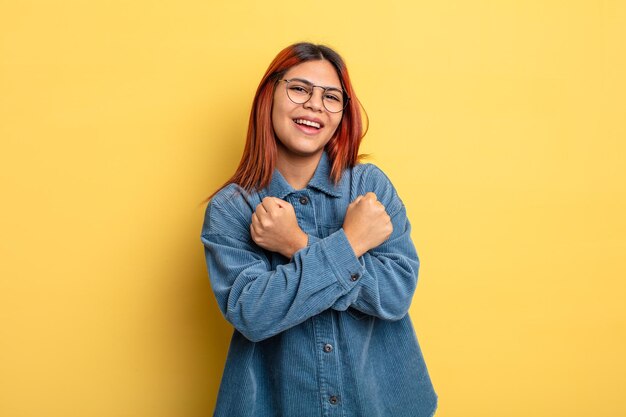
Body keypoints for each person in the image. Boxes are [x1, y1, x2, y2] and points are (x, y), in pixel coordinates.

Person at [200, 42, 438, 417]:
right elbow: (253, 314)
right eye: (299, 88)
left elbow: (395, 294)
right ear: (269, 95)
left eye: (331, 97)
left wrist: (297, 244)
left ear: (342, 114)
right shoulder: (232, 209)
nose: (314, 105)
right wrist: (352, 244)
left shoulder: (368, 188)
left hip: (381, 406)